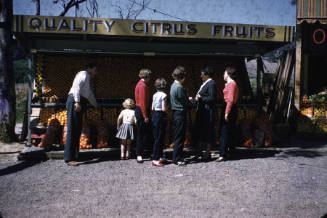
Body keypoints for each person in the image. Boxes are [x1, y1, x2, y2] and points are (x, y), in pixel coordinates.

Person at [64, 62, 98, 166]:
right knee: (73, 128)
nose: (96, 72)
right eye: (95, 69)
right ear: (89, 68)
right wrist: (77, 102)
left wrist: (95, 104)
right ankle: (69, 158)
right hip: (75, 102)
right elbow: (76, 87)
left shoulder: (87, 78)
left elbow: (89, 94)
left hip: (80, 102)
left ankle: (75, 155)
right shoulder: (83, 74)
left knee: (77, 129)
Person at [170, 66, 193, 166]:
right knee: (180, 137)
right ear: (182, 77)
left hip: (176, 112)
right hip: (180, 112)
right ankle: (177, 158)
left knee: (178, 136)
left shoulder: (173, 85)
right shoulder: (179, 87)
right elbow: (185, 103)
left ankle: (177, 157)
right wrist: (192, 101)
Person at [194, 66, 217, 161]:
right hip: (202, 111)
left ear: (207, 75)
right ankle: (199, 151)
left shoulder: (211, 83)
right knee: (201, 131)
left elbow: (212, 98)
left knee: (207, 131)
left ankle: (207, 152)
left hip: (207, 112)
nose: (201, 75)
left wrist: (201, 98)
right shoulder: (205, 83)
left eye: (202, 74)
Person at [216, 66, 239, 162]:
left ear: (228, 74)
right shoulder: (230, 84)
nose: (223, 75)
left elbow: (230, 100)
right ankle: (230, 152)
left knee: (224, 132)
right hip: (229, 108)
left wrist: (226, 112)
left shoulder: (231, 84)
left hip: (229, 108)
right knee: (229, 131)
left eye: (225, 73)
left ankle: (223, 154)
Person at [134, 68, 152, 163]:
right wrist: (145, 116)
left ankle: (141, 152)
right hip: (142, 111)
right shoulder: (142, 86)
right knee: (142, 133)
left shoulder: (141, 84)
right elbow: (142, 102)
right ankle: (139, 154)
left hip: (141, 110)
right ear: (147, 76)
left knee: (144, 133)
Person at [151, 78, 168, 167]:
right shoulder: (164, 95)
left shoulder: (154, 95)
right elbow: (164, 108)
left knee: (157, 137)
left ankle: (159, 156)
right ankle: (156, 158)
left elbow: (152, 108)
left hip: (155, 115)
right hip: (161, 116)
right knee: (160, 138)